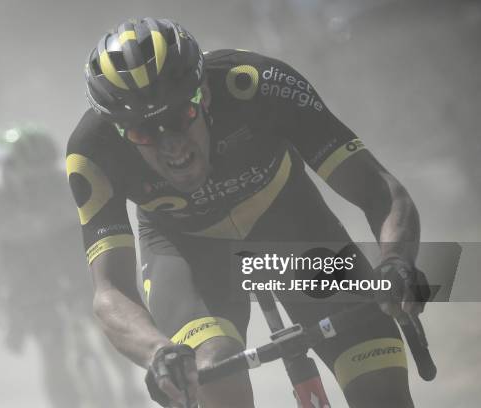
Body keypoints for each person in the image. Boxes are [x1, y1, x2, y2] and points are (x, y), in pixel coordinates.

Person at [66, 18, 428, 408]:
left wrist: (395, 261)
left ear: (203, 94)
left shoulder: (258, 85)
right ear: (119, 130)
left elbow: (379, 190)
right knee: (213, 370)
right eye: (142, 132)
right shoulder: (93, 150)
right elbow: (110, 292)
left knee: (381, 392)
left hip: (293, 227)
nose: (170, 144)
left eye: (178, 117)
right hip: (187, 252)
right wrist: (157, 353)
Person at [0, 125, 146, 408]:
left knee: (104, 319)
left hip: (67, 246)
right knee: (50, 344)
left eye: (44, 175)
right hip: (22, 261)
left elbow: (102, 226)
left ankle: (126, 385)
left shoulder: (66, 181)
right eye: (29, 179)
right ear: (6, 172)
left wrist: (118, 274)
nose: (38, 184)